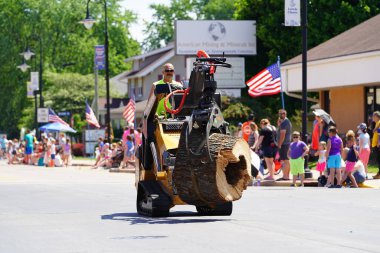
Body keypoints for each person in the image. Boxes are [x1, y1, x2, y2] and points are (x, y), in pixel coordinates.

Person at [277, 109, 292, 181]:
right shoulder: (286, 121)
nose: (281, 115)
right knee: (286, 160)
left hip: (284, 143)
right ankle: (286, 176)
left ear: (285, 114)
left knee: (285, 160)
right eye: (280, 113)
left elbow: (282, 135)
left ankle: (285, 176)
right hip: (286, 143)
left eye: (282, 113)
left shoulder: (284, 123)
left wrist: (279, 144)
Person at [371, 111, 380, 179]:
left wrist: (379, 142)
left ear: (377, 116)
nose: (372, 117)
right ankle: (378, 174)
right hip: (375, 144)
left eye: (373, 116)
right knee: (378, 160)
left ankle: (379, 174)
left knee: (378, 159)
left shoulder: (379, 122)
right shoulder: (377, 123)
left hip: (378, 145)